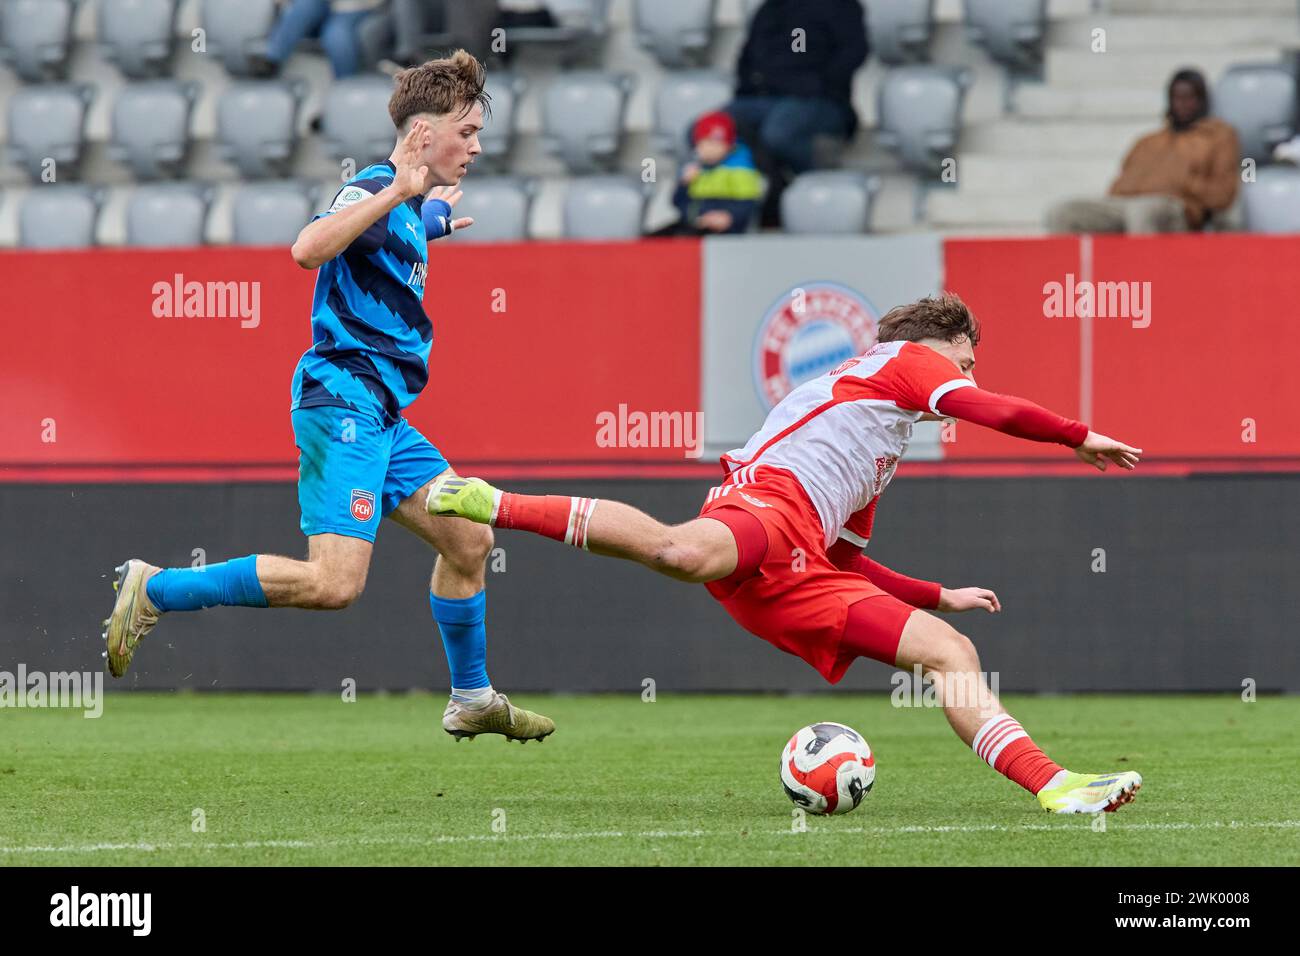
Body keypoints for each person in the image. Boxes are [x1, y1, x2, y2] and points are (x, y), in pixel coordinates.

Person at [428, 293, 1146, 813]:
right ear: (937, 346)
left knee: (948, 649)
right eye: (967, 358)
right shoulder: (900, 362)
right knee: (678, 552)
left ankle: (1054, 786)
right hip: (762, 509)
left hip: (801, 563)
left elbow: (845, 560)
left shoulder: (880, 444)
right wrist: (1073, 433)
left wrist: (933, 594)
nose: (971, 373)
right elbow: (986, 409)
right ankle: (496, 502)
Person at [103, 51, 556, 744]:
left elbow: (379, 243)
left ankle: (470, 696)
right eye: (466, 132)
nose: (477, 146)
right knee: (333, 584)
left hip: (384, 416)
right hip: (341, 403)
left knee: (469, 539)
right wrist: (396, 196)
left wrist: (424, 220)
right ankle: (156, 588)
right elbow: (307, 248)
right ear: (423, 134)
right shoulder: (376, 186)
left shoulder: (402, 207)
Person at [726, 0, 868, 227]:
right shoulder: (768, 10)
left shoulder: (841, 6)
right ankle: (771, 192)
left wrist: (818, 86)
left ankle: (819, 181)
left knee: (779, 131)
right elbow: (747, 57)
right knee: (715, 126)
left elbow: (854, 52)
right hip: (763, 100)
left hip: (821, 101)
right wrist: (749, 89)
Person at [1046, 69, 1240, 234]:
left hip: (1176, 208)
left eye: (1189, 97)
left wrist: (1184, 182)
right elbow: (1117, 187)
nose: (1182, 104)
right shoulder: (1147, 142)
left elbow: (1223, 196)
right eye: (1176, 97)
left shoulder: (1219, 137)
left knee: (1142, 211)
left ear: (1202, 100)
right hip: (1126, 204)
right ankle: (1070, 276)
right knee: (1063, 213)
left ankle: (1143, 277)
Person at [651, 111, 764, 237]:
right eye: (704, 143)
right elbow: (677, 203)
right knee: (652, 240)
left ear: (729, 146)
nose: (709, 149)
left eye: (716, 143)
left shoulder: (742, 169)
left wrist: (729, 217)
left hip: (725, 230)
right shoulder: (696, 168)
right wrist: (684, 184)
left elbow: (747, 205)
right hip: (694, 225)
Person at [251, 0, 385, 79]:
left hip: (353, 8)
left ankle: (343, 99)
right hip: (319, 6)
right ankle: (272, 58)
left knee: (335, 35)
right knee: (306, 5)